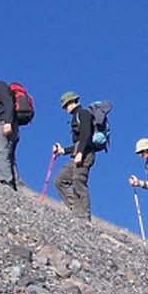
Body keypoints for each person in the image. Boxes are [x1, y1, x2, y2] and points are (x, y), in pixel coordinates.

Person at [52, 92, 97, 220]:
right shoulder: (77, 116)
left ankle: (83, 215)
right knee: (60, 180)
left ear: (71, 103)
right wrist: (63, 151)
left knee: (78, 181)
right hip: (78, 153)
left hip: (85, 154)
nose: (66, 109)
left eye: (66, 106)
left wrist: (80, 153)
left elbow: (86, 135)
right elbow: (79, 142)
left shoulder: (83, 113)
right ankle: (77, 209)